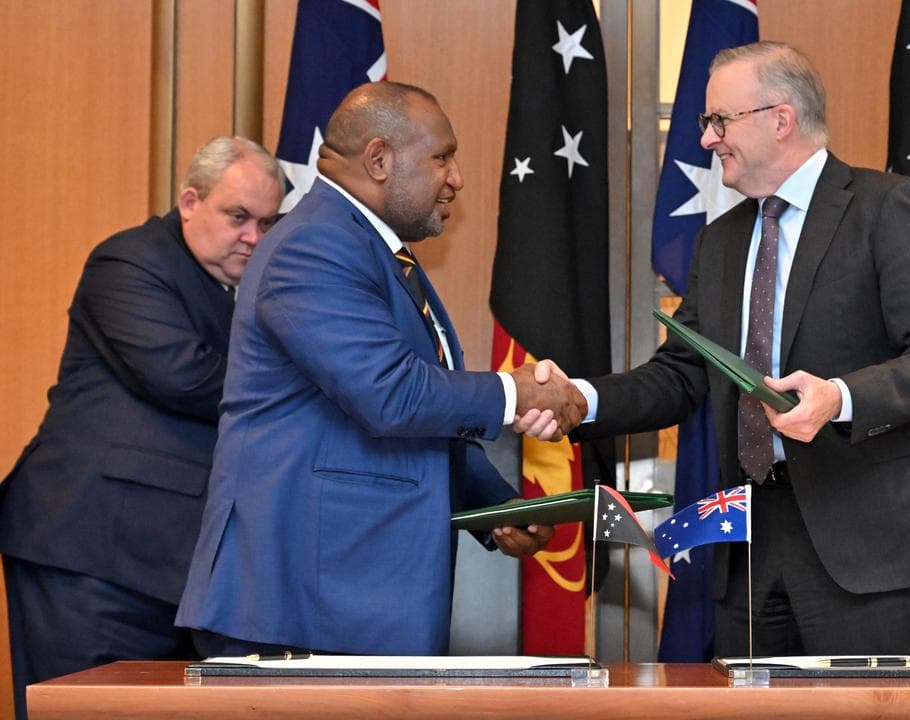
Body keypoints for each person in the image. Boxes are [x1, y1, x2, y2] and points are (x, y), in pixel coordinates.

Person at [554, 42, 910, 656]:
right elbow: (683, 374)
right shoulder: (720, 241)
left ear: (780, 119)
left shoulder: (887, 207)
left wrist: (837, 398)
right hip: (751, 540)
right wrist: (580, 398)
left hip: (868, 539)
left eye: (718, 121)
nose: (707, 139)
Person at [175, 81, 584, 658]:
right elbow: (389, 394)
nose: (457, 178)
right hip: (294, 601)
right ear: (379, 159)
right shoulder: (315, 245)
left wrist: (493, 510)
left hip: (350, 595)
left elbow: (405, 420)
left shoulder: (375, 250)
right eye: (442, 156)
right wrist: (513, 392)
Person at [0, 137, 284, 719]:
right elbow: (182, 377)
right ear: (188, 201)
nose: (255, 238)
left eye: (268, 222)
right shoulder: (130, 261)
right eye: (239, 217)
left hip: (180, 570)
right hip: (94, 550)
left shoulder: (244, 295)